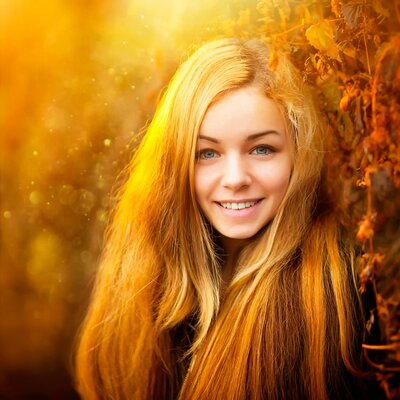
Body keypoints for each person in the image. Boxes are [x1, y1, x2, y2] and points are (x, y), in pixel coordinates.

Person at [74, 38, 366, 399]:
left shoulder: (334, 291)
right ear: (176, 165)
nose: (234, 178)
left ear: (298, 154)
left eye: (261, 149)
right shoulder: (149, 281)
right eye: (207, 153)